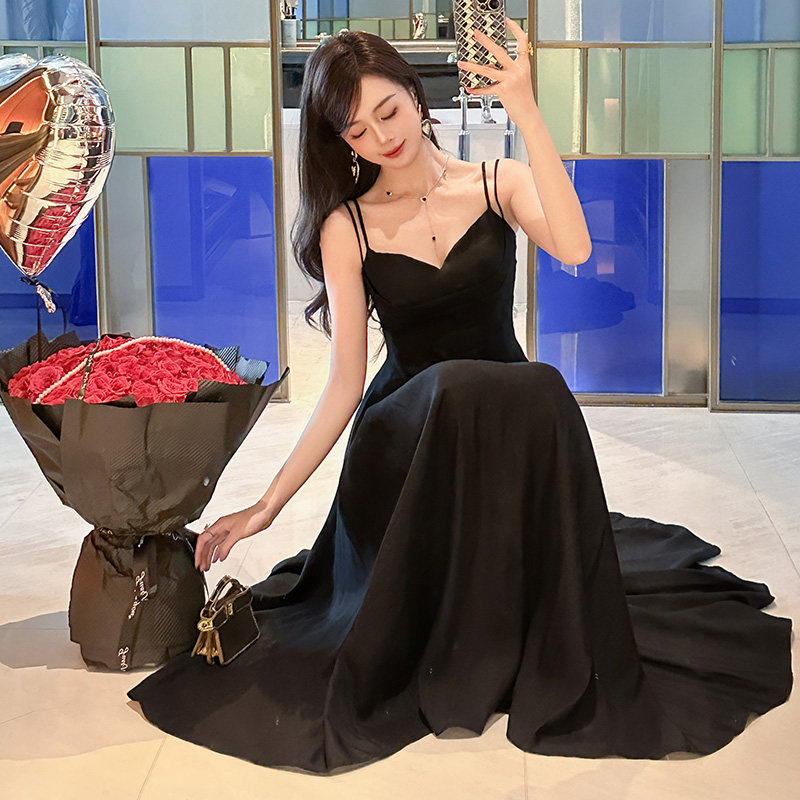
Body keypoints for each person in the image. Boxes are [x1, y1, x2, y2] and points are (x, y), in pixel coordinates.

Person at [127, 20, 793, 774]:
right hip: (406, 435)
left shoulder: (496, 181)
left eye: (389, 111)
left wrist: (527, 111)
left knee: (534, 385)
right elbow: (345, 383)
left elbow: (576, 247)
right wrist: (266, 506)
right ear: (341, 142)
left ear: (416, 97)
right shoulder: (348, 226)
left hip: (502, 424)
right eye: (357, 130)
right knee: (461, 384)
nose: (382, 136)